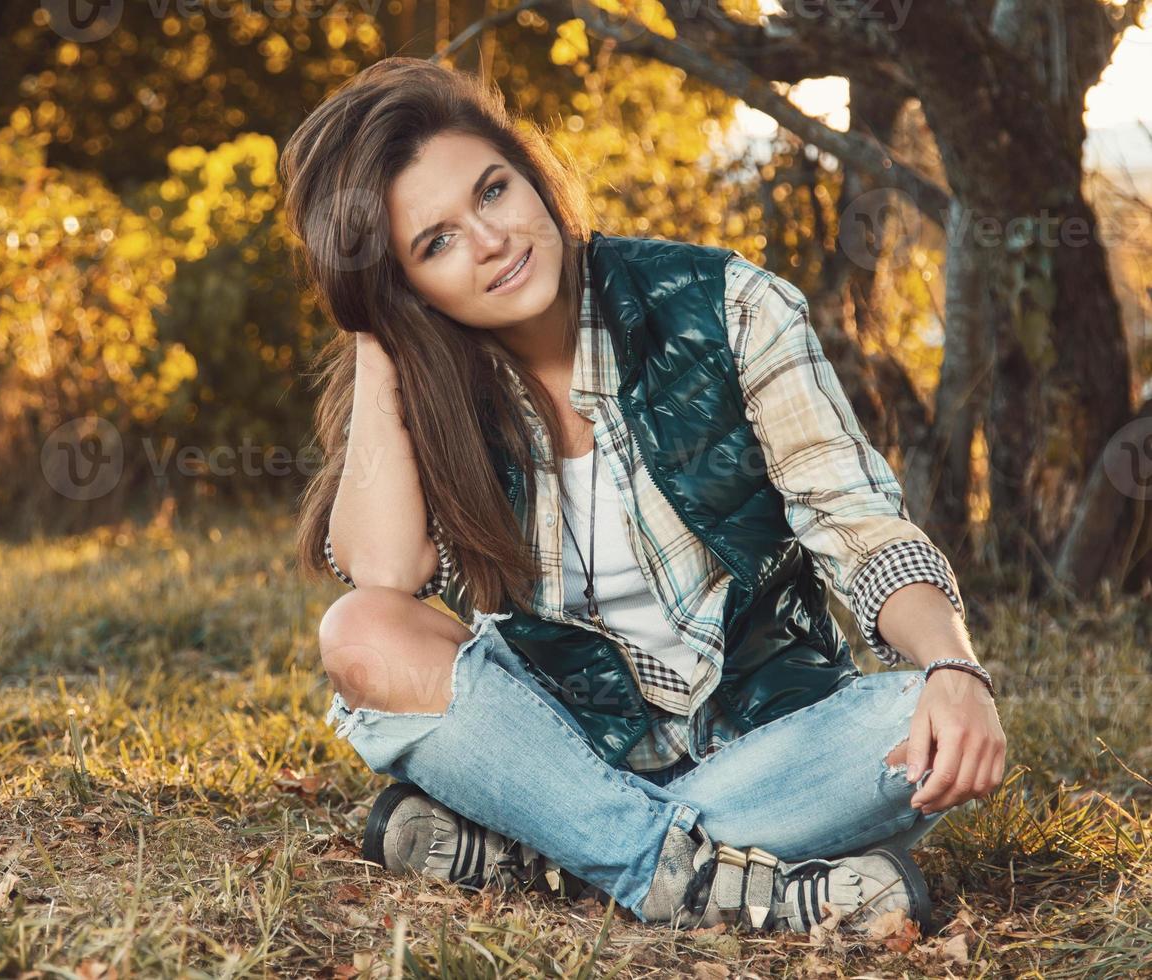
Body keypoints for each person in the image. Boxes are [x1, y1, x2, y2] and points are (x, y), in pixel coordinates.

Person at [281, 56, 1006, 934]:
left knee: (911, 718)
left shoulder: (729, 308)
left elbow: (857, 523)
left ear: (531, 174)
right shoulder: (432, 389)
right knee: (359, 630)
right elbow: (384, 575)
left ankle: (549, 852)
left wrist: (952, 668)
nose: (492, 241)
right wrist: (373, 331)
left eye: (493, 191)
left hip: (766, 744)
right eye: (434, 243)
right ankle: (710, 882)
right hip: (566, 742)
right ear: (406, 285)